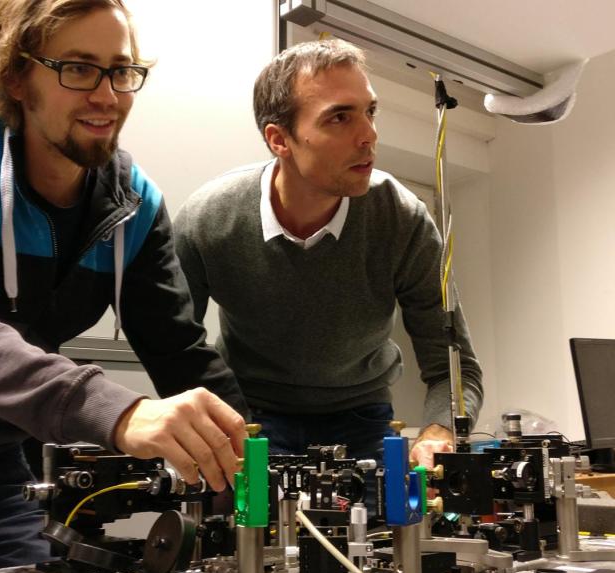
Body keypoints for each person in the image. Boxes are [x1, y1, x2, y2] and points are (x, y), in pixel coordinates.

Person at [0, 0, 246, 567]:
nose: (108, 96)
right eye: (78, 68)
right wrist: (118, 411)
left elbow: (179, 350)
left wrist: (255, 465)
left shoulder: (135, 203)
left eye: (122, 70)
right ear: (16, 76)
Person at [174, 39, 483, 477]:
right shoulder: (209, 218)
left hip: (364, 417)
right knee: (245, 541)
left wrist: (438, 431)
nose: (369, 136)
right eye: (340, 117)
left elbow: (455, 366)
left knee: (377, 540)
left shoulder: (401, 218)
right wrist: (216, 425)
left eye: (369, 112)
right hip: (248, 414)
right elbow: (174, 347)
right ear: (279, 139)